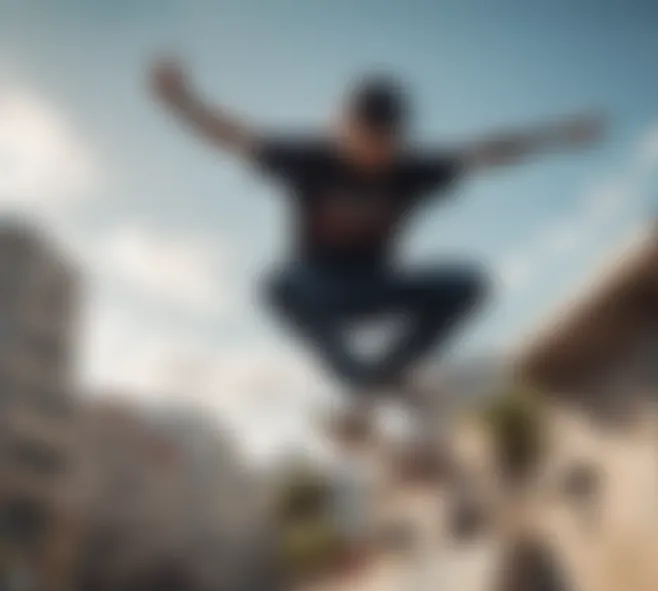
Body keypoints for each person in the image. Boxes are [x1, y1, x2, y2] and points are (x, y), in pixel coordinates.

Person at [150, 58, 603, 416]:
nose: (372, 154)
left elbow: (485, 152)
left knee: (470, 283)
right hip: (317, 287)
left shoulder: (412, 169)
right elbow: (236, 137)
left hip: (378, 286)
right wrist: (184, 101)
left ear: (397, 140)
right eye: (361, 140)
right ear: (343, 128)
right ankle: (353, 374)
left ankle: (389, 371)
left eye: (383, 145)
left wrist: (558, 136)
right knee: (275, 284)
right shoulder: (309, 158)